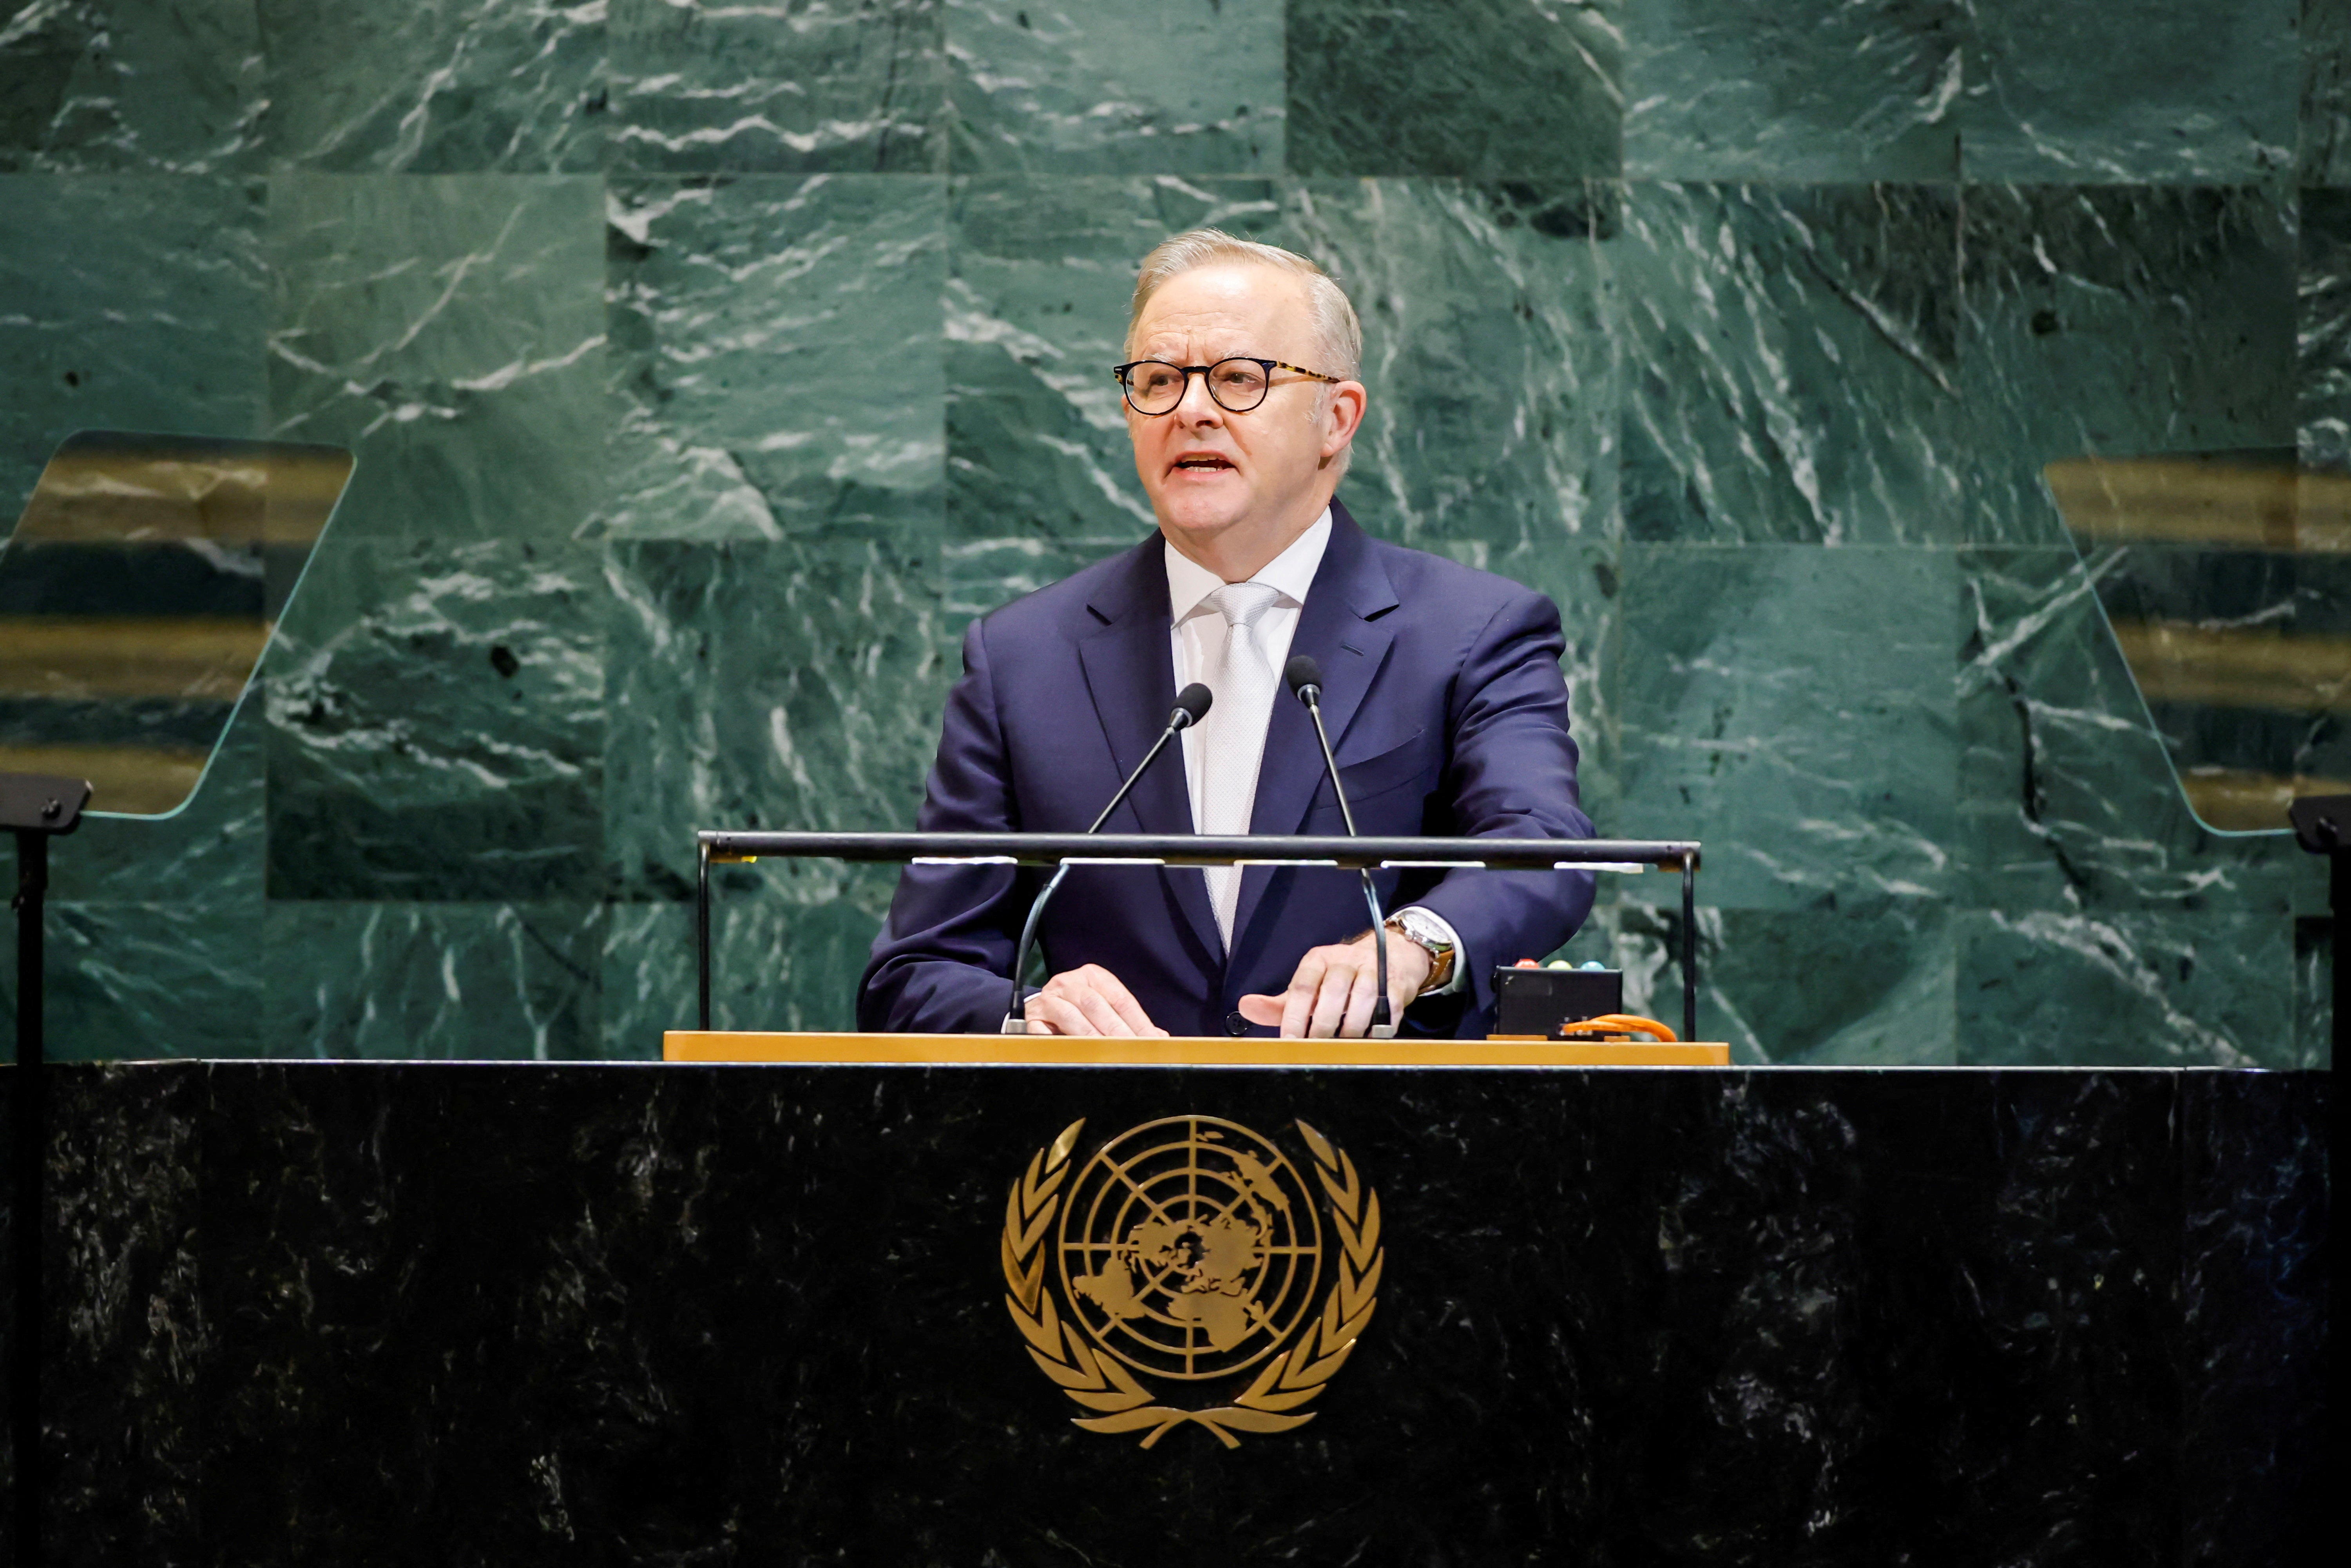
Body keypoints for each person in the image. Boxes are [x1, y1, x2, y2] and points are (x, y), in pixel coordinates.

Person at [858, 230, 1594, 1039]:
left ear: (1336, 419)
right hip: (1111, 1153)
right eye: (1159, 381)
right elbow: (916, 973)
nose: (1191, 410)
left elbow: (1542, 851)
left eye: (1240, 379)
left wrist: (1411, 945)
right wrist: (1025, 1018)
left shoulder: (1471, 632)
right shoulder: (1024, 658)